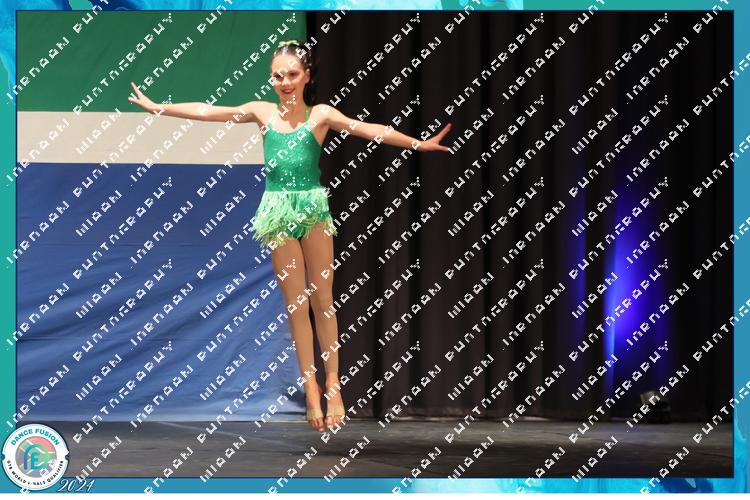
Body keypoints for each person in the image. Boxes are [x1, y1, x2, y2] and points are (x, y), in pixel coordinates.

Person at [128, 39, 452, 432]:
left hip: (312, 209)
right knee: (297, 305)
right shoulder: (261, 112)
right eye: (277, 76)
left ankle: (333, 383)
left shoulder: (321, 115)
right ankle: (310, 386)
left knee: (323, 300)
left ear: (307, 76)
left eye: (292, 75)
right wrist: (159, 108)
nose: (284, 82)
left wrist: (418, 144)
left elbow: (370, 129)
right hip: (277, 211)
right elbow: (208, 111)